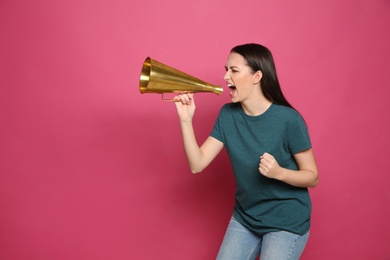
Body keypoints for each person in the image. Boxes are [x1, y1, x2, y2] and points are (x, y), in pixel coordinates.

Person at [174, 43, 318, 260]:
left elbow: (312, 176)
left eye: (234, 70)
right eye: (226, 70)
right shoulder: (228, 115)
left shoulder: (289, 120)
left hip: (287, 222)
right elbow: (197, 164)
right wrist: (186, 121)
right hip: (246, 218)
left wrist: (279, 172)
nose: (225, 77)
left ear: (256, 76)